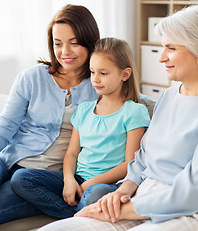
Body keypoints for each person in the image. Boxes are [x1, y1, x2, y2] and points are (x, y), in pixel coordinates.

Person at [38, 5, 198, 231]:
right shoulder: (170, 96)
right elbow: (142, 158)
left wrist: (121, 209)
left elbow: (192, 193)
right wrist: (121, 192)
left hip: (194, 212)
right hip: (144, 198)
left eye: (170, 48)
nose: (161, 58)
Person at [0, 4, 100, 231]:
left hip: (39, 178)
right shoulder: (31, 78)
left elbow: (136, 99)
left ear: (89, 40)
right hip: (7, 161)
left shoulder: (100, 84)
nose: (65, 51)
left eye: (74, 42)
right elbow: (4, 128)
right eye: (57, 43)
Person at [10, 37, 151, 218]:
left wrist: (90, 183)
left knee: (95, 194)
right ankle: (73, 215)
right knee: (21, 178)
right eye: (92, 72)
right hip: (77, 179)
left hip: (106, 184)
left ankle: (77, 216)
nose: (96, 79)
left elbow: (129, 164)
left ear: (125, 74)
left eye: (104, 73)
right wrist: (69, 180)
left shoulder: (134, 112)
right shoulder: (84, 109)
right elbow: (72, 153)